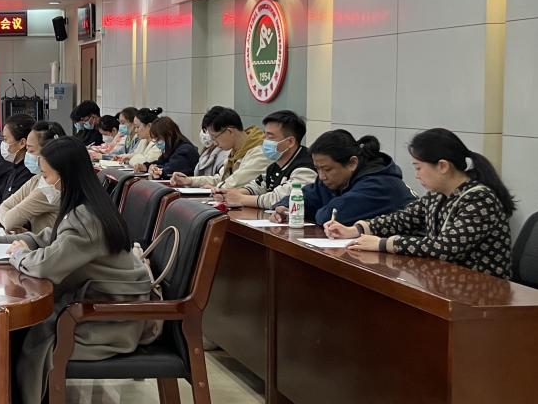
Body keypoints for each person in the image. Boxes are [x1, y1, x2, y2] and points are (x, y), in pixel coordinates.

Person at [0, 137, 154, 404]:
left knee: (28, 335)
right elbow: (51, 238)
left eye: (46, 175)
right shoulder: (89, 206)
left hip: (110, 320)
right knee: (22, 331)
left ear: (64, 176)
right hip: (99, 306)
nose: (44, 181)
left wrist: (17, 256)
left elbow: (48, 264)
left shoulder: (86, 220)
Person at [324, 128, 516, 278]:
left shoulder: (479, 199)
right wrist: (356, 230)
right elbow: (402, 219)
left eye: (418, 168)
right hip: (446, 283)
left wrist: (383, 243)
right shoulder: (438, 195)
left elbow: (445, 247)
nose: (416, 175)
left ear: (443, 166)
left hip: (482, 292)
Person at [271, 130, 413, 226]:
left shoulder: (379, 184)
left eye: (327, 169)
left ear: (352, 163)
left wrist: (304, 210)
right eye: (317, 169)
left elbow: (329, 217)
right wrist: (285, 207)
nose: (321, 176)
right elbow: (304, 198)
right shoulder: (332, 180)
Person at [220, 110, 316, 209]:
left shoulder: (306, 168)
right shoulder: (276, 164)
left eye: (270, 137)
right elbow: (259, 185)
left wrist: (242, 199)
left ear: (290, 142)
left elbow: (280, 199)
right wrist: (229, 194)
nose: (264, 141)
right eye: (264, 135)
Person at [169, 108, 265, 191]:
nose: (215, 143)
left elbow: (236, 182)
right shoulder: (235, 152)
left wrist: (216, 188)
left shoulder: (260, 153)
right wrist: (189, 181)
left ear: (229, 131)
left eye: (214, 137)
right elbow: (220, 179)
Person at [0, 121, 67, 234]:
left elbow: (10, 221)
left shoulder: (51, 188)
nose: (27, 154)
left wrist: (10, 223)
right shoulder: (37, 179)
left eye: (31, 150)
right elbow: (3, 206)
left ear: (49, 151)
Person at [193, 106, 229, 178]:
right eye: (204, 130)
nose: (205, 134)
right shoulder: (207, 152)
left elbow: (221, 179)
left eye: (212, 134)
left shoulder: (226, 153)